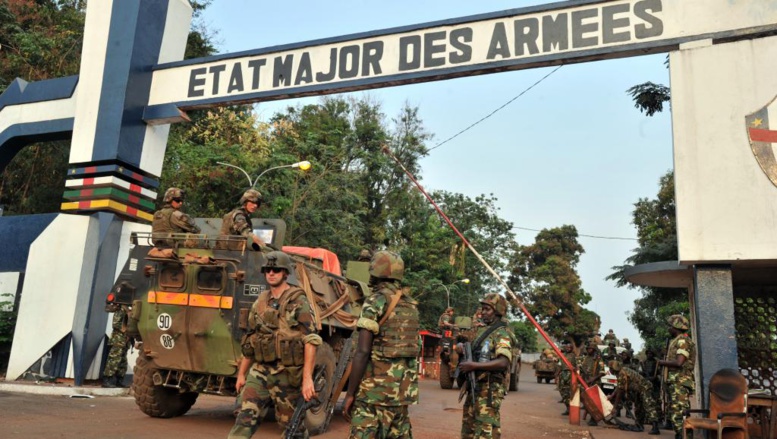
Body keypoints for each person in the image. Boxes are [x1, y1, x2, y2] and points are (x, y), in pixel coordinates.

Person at [229, 251, 321, 439]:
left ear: (285, 273)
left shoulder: (298, 300)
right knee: (244, 418)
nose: (271, 273)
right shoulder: (261, 301)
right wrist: (241, 373)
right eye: (268, 269)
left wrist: (307, 379)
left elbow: (310, 340)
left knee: (292, 427)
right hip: (260, 371)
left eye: (276, 270)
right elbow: (252, 339)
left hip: (287, 373)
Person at [344, 250, 420, 439]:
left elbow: (362, 352)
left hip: (373, 394)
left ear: (375, 271)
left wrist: (350, 393)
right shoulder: (411, 305)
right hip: (401, 396)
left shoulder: (376, 300)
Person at [456, 293, 515, 439]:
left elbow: (503, 362)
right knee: (468, 430)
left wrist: (473, 366)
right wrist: (460, 348)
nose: (483, 312)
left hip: (489, 390)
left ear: (497, 311)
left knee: (485, 431)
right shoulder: (482, 331)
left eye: (487, 309)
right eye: (482, 308)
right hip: (475, 387)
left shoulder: (502, 333)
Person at [657, 315, 696, 439]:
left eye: (670, 326)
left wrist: (661, 362)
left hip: (680, 382)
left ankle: (684, 436)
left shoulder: (683, 341)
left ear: (676, 327)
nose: (669, 328)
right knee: (676, 414)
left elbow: (679, 363)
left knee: (679, 415)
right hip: (676, 382)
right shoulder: (677, 340)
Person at [607, 360, 661, 435]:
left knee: (649, 406)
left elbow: (620, 391)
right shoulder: (621, 371)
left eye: (610, 369)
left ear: (612, 369)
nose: (610, 370)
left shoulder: (622, 373)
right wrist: (612, 395)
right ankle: (639, 424)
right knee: (638, 407)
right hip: (638, 390)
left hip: (645, 388)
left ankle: (655, 428)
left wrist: (615, 407)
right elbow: (619, 386)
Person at [102, 301, 131, 388]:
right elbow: (116, 324)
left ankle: (119, 380)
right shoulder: (121, 310)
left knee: (122, 361)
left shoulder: (128, 310)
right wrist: (126, 331)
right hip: (118, 339)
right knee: (114, 360)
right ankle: (107, 380)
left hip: (125, 340)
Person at [577, 338, 605, 426]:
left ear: (594, 350)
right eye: (588, 348)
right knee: (585, 400)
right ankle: (591, 416)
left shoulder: (598, 359)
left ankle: (594, 419)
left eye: (591, 349)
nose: (589, 350)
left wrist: (593, 378)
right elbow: (581, 368)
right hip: (585, 382)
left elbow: (602, 372)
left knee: (594, 402)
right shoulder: (585, 358)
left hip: (594, 383)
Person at [557, 341, 577, 415]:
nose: (568, 348)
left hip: (570, 374)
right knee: (562, 390)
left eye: (569, 347)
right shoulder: (562, 355)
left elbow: (577, 366)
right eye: (567, 347)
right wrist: (557, 374)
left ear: (572, 348)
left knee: (569, 392)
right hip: (562, 373)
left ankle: (571, 409)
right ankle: (568, 408)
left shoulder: (574, 356)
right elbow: (559, 365)